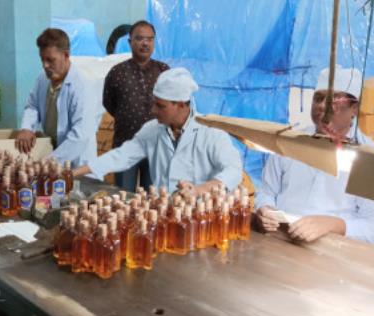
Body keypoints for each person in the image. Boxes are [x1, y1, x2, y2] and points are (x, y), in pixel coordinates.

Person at [255, 67, 374, 244]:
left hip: (335, 249)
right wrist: (265, 209)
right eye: (318, 98)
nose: (321, 105)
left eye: (334, 99)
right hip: (279, 239)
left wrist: (334, 225)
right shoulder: (290, 141)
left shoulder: (369, 157)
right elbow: (266, 190)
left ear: (354, 109)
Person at [73, 67, 243, 193]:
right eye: (154, 103)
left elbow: (234, 170)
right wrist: (74, 172)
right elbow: (121, 156)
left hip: (198, 218)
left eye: (160, 106)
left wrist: (200, 189)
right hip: (164, 213)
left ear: (181, 104)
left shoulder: (211, 132)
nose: (153, 110)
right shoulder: (152, 130)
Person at [103, 20, 169, 192]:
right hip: (126, 143)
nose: (145, 43)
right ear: (130, 41)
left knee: (152, 199)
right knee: (123, 197)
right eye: (139, 38)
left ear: (154, 41)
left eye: (149, 38)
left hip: (157, 146)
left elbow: (173, 105)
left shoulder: (164, 72)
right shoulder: (117, 73)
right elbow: (108, 103)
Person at [16, 28, 97, 167]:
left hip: (77, 163)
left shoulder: (81, 86)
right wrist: (27, 128)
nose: (45, 65)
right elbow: (33, 105)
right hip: (53, 154)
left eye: (50, 60)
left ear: (66, 55)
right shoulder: (43, 79)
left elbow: (80, 136)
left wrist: (48, 162)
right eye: (42, 59)